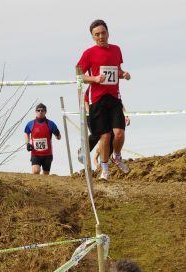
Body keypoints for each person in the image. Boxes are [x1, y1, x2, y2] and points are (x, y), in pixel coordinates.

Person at [77, 19, 131, 181]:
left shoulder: (116, 50)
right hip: (97, 100)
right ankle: (105, 169)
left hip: (114, 98)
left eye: (103, 33)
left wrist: (124, 74)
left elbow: (117, 70)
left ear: (108, 32)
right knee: (105, 136)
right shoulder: (89, 53)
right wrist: (94, 78)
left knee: (119, 133)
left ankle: (117, 156)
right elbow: (79, 76)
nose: (101, 36)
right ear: (93, 37)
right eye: (97, 34)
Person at [24, 103, 61, 175]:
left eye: (42, 110)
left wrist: (57, 134)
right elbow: (26, 133)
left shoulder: (51, 124)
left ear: (45, 112)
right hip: (35, 153)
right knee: (35, 171)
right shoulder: (30, 123)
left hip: (47, 154)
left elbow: (59, 138)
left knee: (46, 174)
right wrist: (27, 143)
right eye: (38, 110)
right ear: (36, 112)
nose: (40, 112)